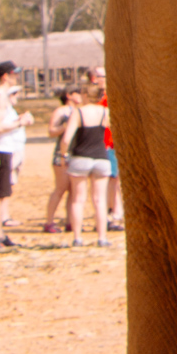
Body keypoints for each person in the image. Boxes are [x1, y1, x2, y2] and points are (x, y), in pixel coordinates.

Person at [0, 61, 32, 251]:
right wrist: (21, 122)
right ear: (5, 76)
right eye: (14, 74)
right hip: (1, 149)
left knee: (3, 194)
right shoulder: (0, 97)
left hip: (6, 149)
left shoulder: (2, 96)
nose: (16, 77)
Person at [59, 86, 112, 247]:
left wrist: (63, 155)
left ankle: (78, 238)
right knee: (100, 200)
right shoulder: (104, 112)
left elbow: (66, 139)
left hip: (81, 157)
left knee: (78, 199)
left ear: (85, 95)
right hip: (101, 157)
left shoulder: (79, 112)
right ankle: (102, 238)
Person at [89, 66, 123, 229]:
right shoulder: (94, 99)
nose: (101, 79)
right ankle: (110, 212)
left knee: (114, 179)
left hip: (111, 143)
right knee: (108, 180)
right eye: (99, 76)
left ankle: (114, 210)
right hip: (100, 144)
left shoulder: (111, 96)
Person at [44, 89, 76, 233]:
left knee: (73, 190)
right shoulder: (61, 111)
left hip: (76, 153)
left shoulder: (79, 110)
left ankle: (71, 221)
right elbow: (51, 131)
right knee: (60, 188)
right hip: (61, 153)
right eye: (77, 93)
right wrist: (66, 126)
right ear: (69, 95)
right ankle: (49, 221)